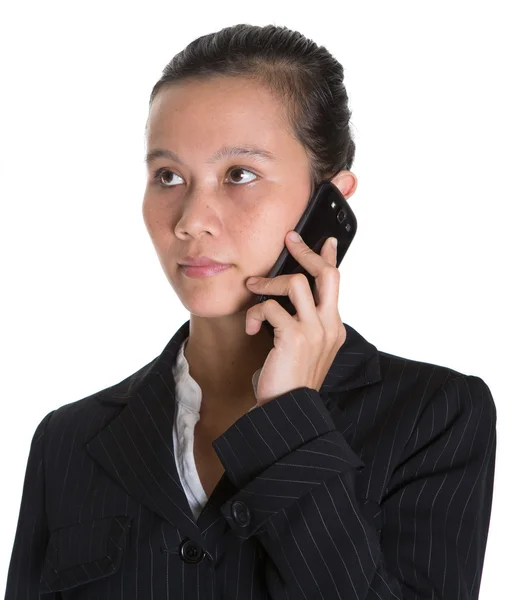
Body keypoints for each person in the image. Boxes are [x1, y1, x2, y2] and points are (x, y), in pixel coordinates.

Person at [5, 23, 496, 599]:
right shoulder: (69, 438)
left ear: (329, 199)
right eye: (168, 176)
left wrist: (292, 420)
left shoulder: (432, 417)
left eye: (239, 174)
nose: (190, 218)